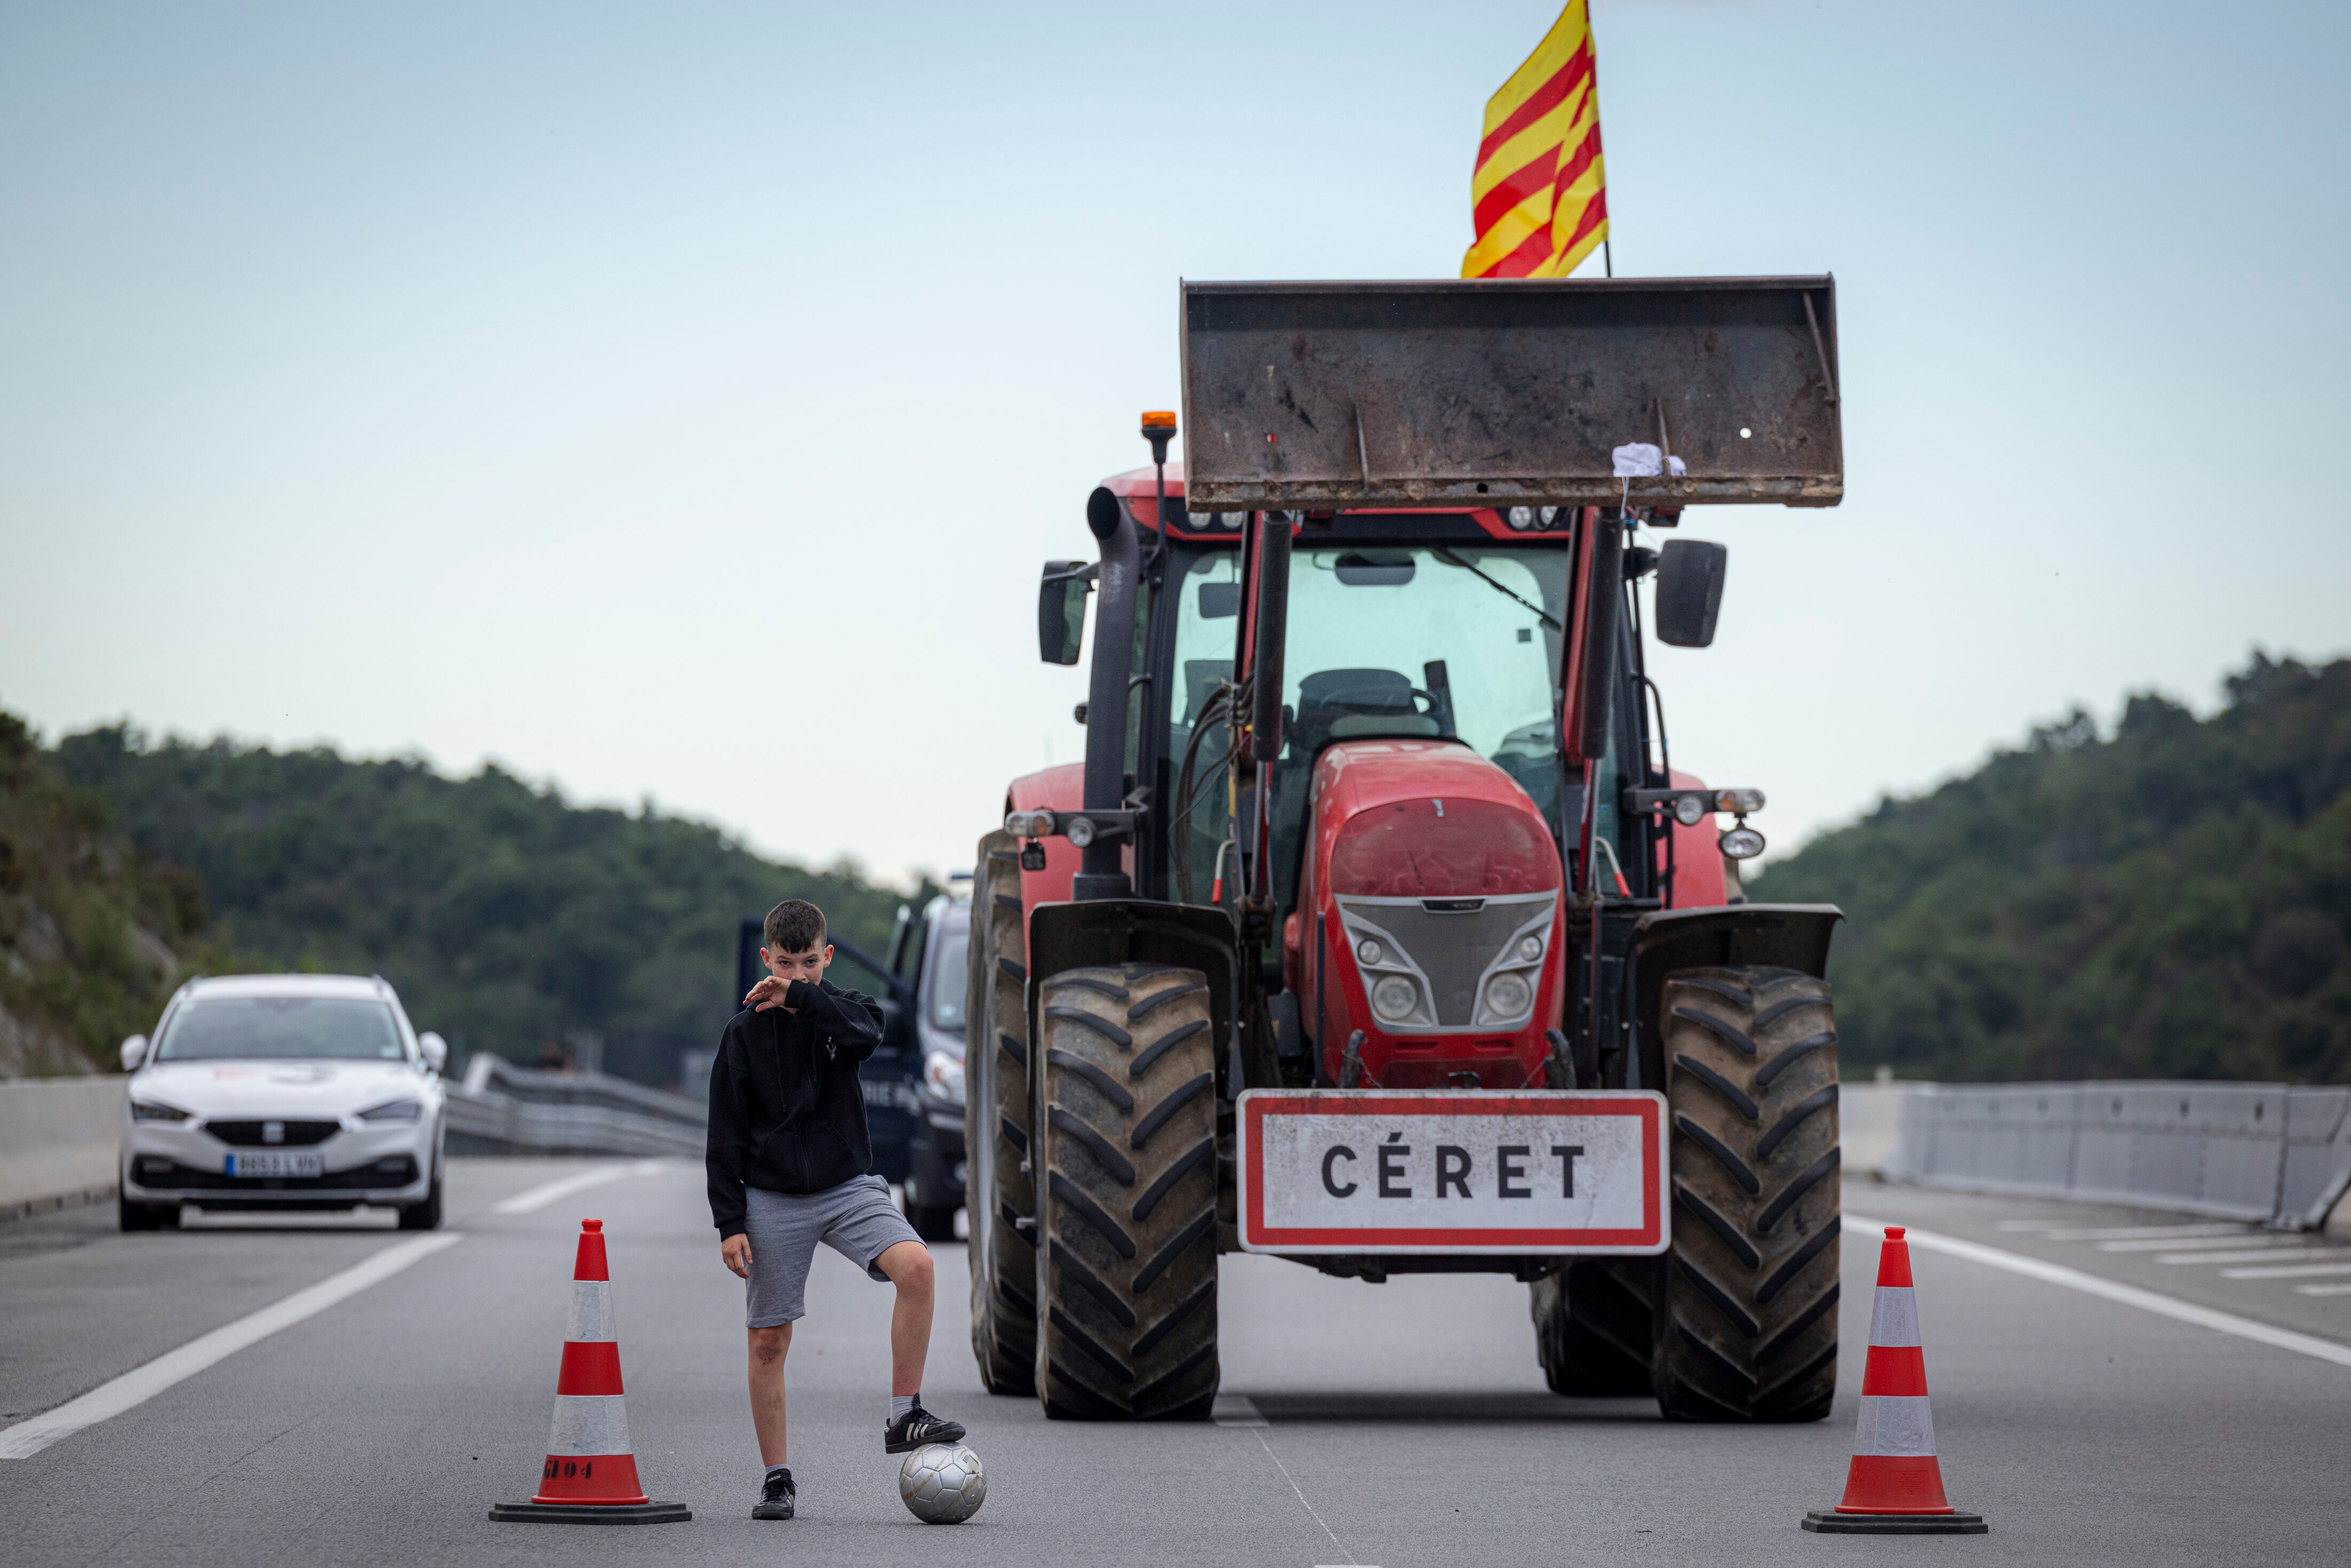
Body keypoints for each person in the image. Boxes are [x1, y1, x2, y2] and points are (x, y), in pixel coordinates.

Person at [705, 898, 966, 1523]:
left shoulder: (847, 1012)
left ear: (826, 958)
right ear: (766, 958)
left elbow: (866, 1035)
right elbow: (724, 1134)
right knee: (769, 1339)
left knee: (919, 1268)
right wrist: (730, 1222)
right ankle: (777, 1478)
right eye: (784, 963)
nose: (795, 974)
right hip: (771, 1196)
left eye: (807, 963)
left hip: (847, 1187)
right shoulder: (741, 1034)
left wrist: (801, 999)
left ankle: (905, 1414)